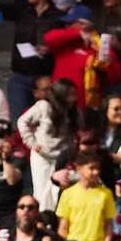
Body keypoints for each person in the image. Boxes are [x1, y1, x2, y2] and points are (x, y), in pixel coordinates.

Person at [18, 78, 78, 212]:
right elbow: (22, 121)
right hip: (43, 157)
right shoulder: (43, 106)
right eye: (69, 94)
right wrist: (31, 143)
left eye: (74, 94)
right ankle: (43, 219)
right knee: (42, 195)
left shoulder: (74, 111)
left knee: (60, 193)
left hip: (63, 158)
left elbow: (79, 131)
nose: (73, 98)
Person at [55, 153, 116, 241]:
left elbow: (109, 227)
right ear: (79, 168)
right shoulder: (68, 194)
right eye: (92, 168)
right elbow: (63, 228)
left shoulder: (106, 194)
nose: (96, 172)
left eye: (98, 168)